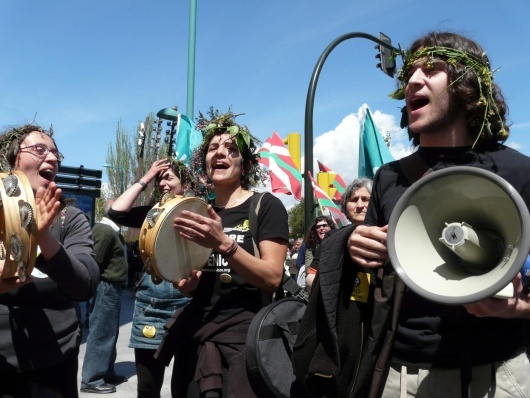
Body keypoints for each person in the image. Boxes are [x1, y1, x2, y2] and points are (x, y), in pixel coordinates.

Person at [295, 31, 530, 398]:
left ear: (469, 85)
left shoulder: (519, 173)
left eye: (432, 69)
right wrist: (351, 244)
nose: (413, 80)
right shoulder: (389, 178)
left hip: (496, 375)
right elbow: (365, 286)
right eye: (409, 74)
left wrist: (518, 309)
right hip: (400, 376)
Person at [155, 109, 289, 397]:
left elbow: (272, 278)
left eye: (231, 149)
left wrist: (225, 244)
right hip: (197, 338)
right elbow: (190, 280)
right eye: (213, 148)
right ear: (204, 162)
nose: (221, 153)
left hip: (245, 344)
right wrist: (185, 286)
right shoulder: (197, 210)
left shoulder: (265, 206)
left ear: (245, 162)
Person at [0, 124, 99, 397]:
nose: (53, 159)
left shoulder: (70, 218)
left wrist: (42, 237)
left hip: (54, 364)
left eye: (56, 154)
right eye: (39, 150)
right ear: (12, 158)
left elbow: (85, 285)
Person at [108, 158, 194, 398]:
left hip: (188, 304)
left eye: (169, 177)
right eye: (160, 180)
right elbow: (116, 212)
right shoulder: (152, 213)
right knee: (147, 386)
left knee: (185, 386)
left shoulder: (199, 210)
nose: (163, 183)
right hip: (152, 307)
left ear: (184, 182)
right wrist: (145, 178)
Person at [81, 199, 129, 394]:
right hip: (105, 288)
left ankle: (106, 372)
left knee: (110, 333)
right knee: (101, 333)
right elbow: (94, 263)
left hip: (112, 289)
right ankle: (91, 380)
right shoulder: (104, 230)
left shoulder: (112, 231)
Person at [305, 178, 372, 292]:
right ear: (345, 206)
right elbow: (311, 278)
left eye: (365, 199)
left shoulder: (389, 236)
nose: (360, 205)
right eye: (354, 199)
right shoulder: (331, 237)